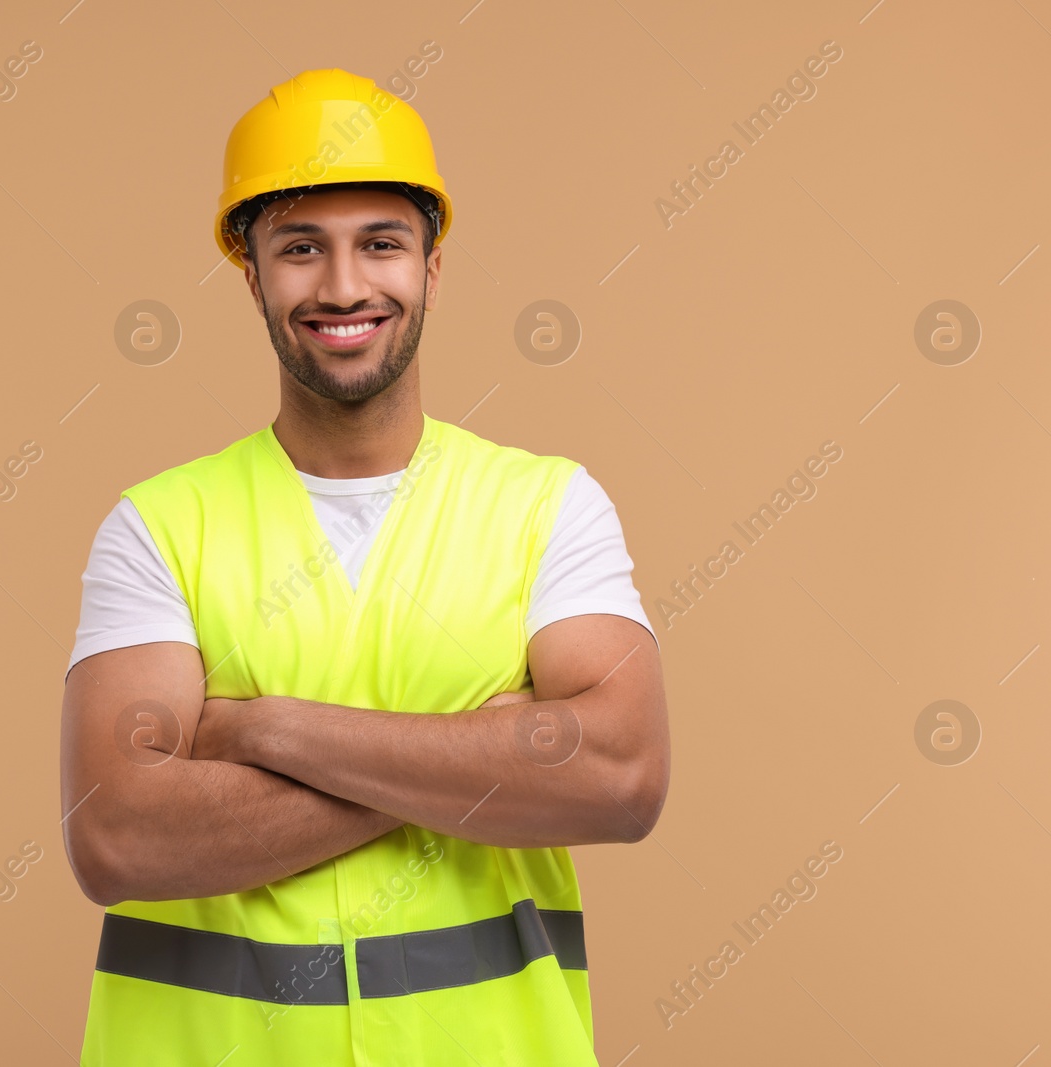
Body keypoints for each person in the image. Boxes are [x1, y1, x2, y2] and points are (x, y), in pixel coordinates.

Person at [59, 67, 670, 1066]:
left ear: (432, 265)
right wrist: (484, 754)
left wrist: (265, 727)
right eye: (300, 248)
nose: (343, 286)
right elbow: (119, 835)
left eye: (379, 243)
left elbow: (621, 775)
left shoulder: (546, 507)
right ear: (251, 273)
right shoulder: (157, 528)